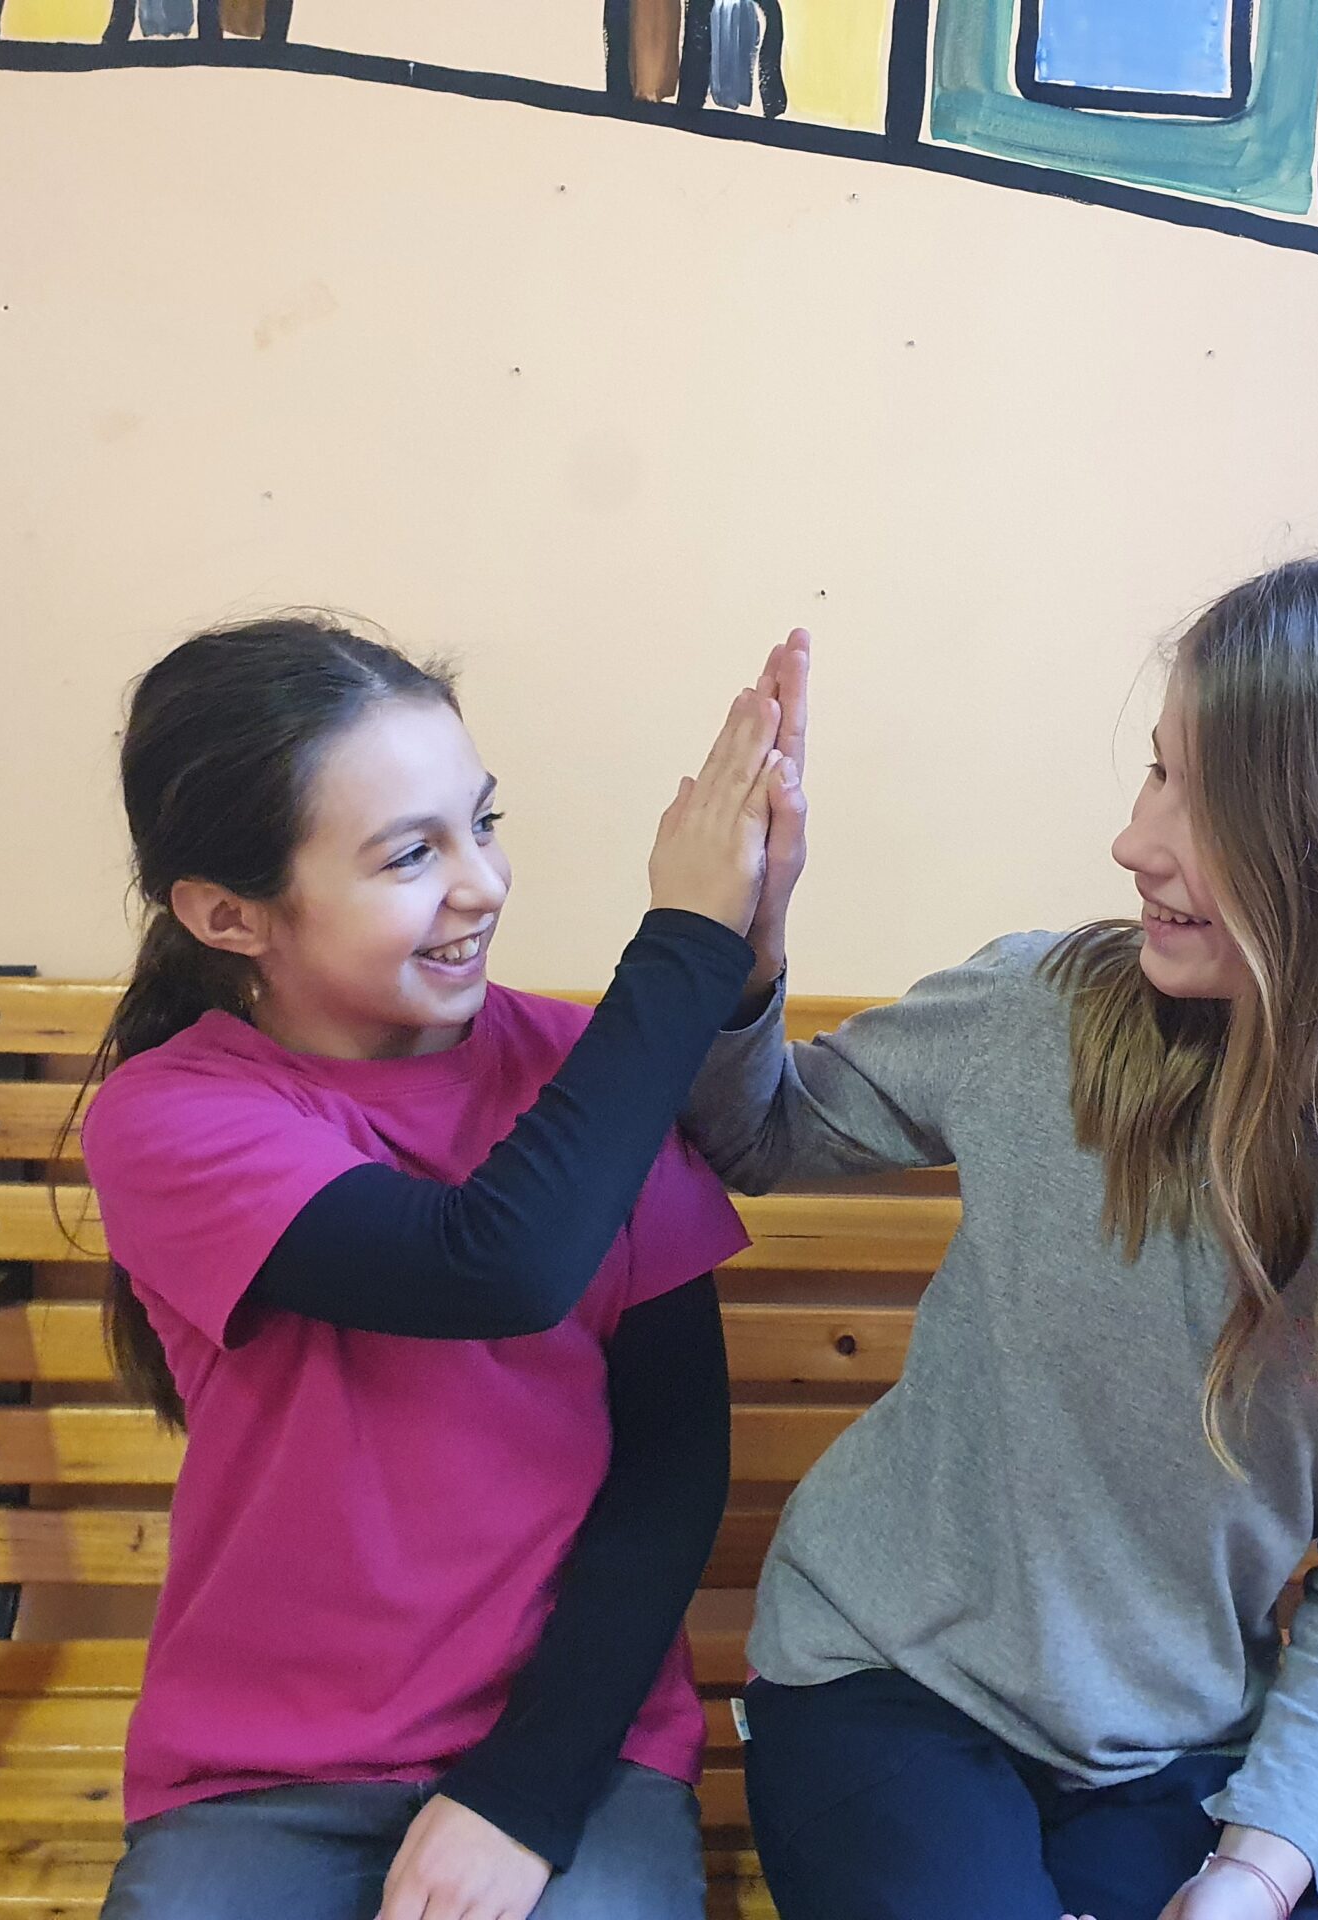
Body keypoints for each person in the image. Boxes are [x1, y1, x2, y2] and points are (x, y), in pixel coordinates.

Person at [692, 551, 1318, 1920]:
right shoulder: (1044, 1014)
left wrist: (1263, 1862)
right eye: (1158, 770)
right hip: (879, 1681)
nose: (1136, 842)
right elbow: (757, 1136)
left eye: (1213, 798)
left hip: (1182, 1751)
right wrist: (744, 941)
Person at [76, 613, 803, 1920]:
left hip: (575, 1745)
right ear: (228, 913)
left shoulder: (585, 1074)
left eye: (483, 822)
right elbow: (492, 1268)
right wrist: (686, 943)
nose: (483, 884)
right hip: (267, 1765)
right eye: (412, 854)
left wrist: (521, 1795)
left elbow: (672, 1465)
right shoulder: (173, 1115)